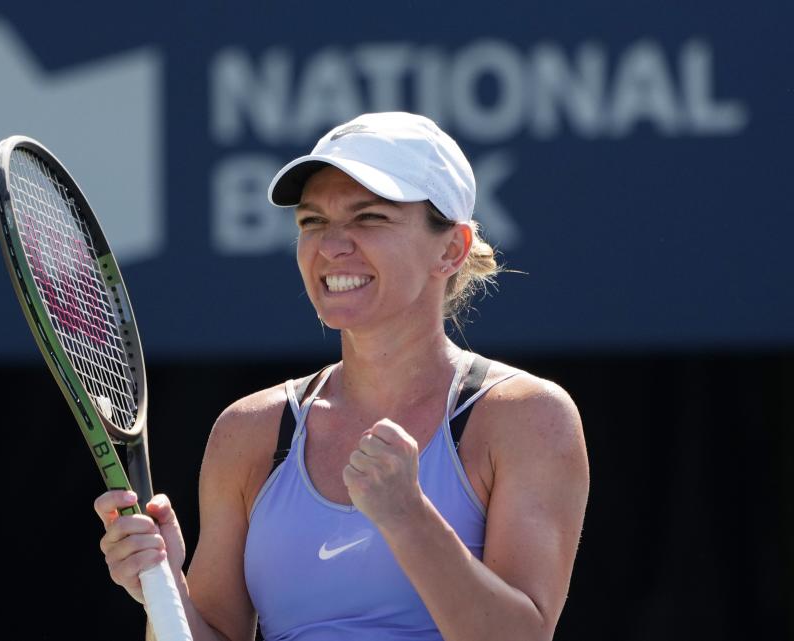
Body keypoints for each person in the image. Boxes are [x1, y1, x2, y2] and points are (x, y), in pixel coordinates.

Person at [94, 112, 589, 641]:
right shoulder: (248, 431)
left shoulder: (527, 418)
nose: (331, 246)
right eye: (312, 222)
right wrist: (163, 592)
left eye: (369, 218)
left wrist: (408, 517)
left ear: (451, 249)